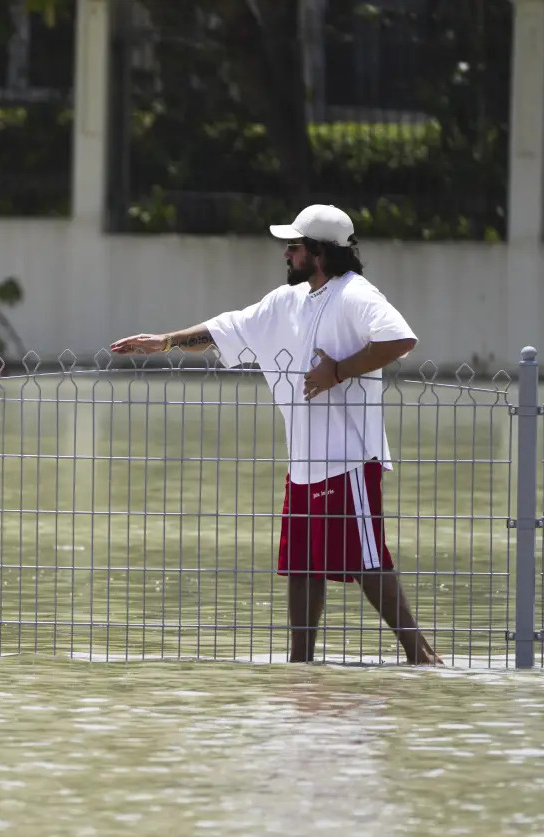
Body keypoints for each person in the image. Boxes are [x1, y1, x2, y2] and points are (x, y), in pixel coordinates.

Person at [111, 203, 441, 665]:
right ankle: (300, 666)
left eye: (294, 246)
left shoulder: (355, 294)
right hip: (304, 464)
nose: (286, 254)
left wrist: (339, 371)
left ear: (320, 253)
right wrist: (165, 340)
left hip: (348, 459)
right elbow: (228, 328)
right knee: (303, 567)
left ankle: (422, 659)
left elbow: (401, 340)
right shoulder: (288, 301)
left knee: (367, 563)